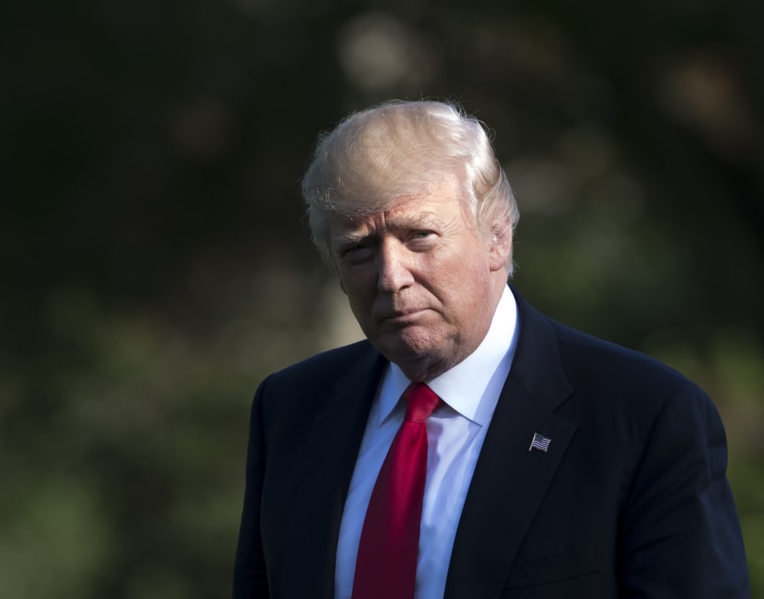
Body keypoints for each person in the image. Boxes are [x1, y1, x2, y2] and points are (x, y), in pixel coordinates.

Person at [232, 100, 750, 599]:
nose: (391, 277)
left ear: (497, 237)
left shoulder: (644, 417)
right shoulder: (292, 409)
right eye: (359, 250)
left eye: (420, 236)